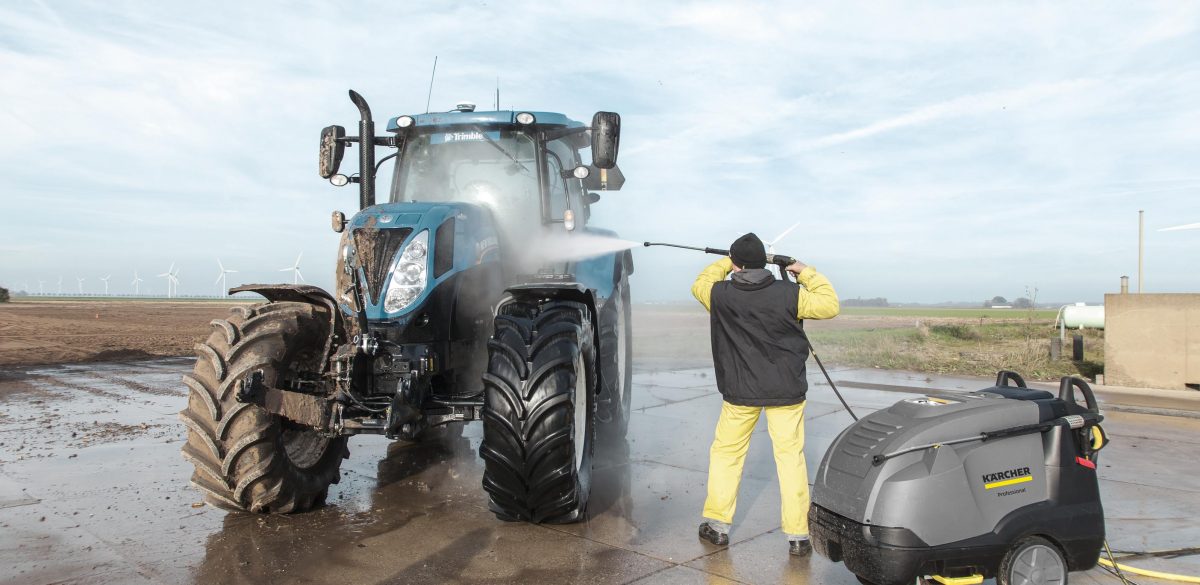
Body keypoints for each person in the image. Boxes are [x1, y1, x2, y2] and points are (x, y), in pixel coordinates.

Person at [691, 232, 839, 557]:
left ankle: (718, 526)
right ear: (763, 262)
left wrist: (725, 262)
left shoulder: (719, 294)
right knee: (790, 458)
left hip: (739, 392)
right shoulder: (790, 293)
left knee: (727, 455)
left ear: (736, 265)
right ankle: (798, 536)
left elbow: (700, 282)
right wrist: (804, 271)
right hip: (786, 390)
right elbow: (830, 304)